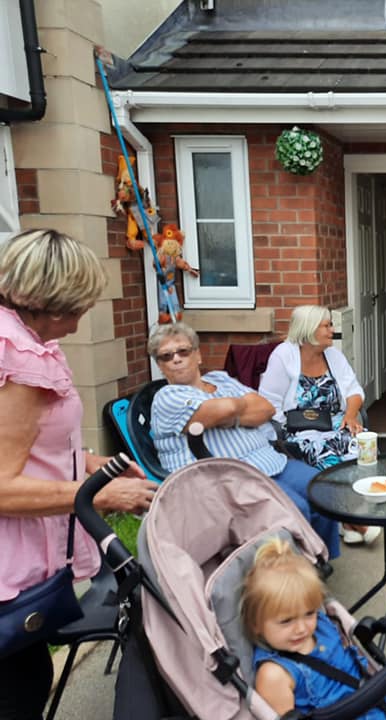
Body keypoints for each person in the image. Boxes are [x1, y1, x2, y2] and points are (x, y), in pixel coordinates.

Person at [0, 229, 156, 720]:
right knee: (17, 690)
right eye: (77, 309)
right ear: (47, 303)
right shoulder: (22, 358)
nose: (79, 321)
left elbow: (35, 444)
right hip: (7, 566)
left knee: (28, 675)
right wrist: (102, 497)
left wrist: (94, 466)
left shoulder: (25, 341)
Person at [148, 322, 339, 557]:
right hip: (228, 480)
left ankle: (322, 560)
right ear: (160, 366)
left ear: (198, 355)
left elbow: (265, 408)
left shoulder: (221, 379)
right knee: (295, 509)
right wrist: (239, 407)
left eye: (183, 351)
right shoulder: (166, 397)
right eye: (166, 356)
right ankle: (297, 573)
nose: (176, 359)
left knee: (325, 490)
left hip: (268, 461)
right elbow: (227, 407)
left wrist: (227, 415)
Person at [241, 536, 386, 720]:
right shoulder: (274, 675)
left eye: (309, 613)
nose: (301, 628)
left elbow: (354, 657)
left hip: (372, 694)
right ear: (256, 625)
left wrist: (385, 679)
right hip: (340, 714)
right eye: (286, 621)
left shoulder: (323, 625)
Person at [259, 305, 378, 545]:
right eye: (326, 326)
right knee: (324, 452)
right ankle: (355, 522)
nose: (332, 330)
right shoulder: (283, 356)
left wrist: (351, 415)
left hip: (336, 422)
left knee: (363, 446)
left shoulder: (333, 355)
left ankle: (350, 516)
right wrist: (286, 432)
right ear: (309, 329)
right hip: (297, 429)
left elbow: (354, 390)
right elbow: (269, 403)